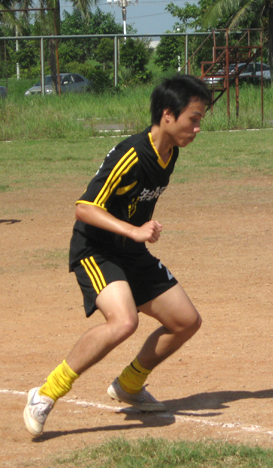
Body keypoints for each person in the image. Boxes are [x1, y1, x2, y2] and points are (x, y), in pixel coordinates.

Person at [23, 74, 210, 437]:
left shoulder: (170, 153)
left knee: (186, 321)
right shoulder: (131, 154)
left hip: (130, 250)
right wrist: (134, 230)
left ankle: (129, 384)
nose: (197, 128)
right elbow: (84, 208)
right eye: (194, 118)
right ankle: (45, 393)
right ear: (168, 115)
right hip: (96, 249)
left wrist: (138, 232)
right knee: (124, 321)